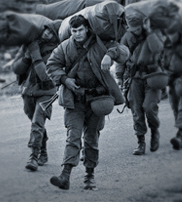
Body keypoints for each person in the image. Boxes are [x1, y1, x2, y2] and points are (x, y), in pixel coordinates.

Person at [46, 15, 129, 190]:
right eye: (73, 31)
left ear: (87, 29)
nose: (76, 34)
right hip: (75, 100)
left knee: (92, 139)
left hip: (97, 99)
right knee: (73, 137)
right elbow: (52, 64)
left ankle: (90, 177)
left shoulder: (102, 43)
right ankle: (65, 176)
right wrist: (64, 79)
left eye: (80, 30)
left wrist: (109, 54)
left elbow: (123, 51)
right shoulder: (65, 47)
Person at [11, 21, 61, 171]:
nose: (47, 33)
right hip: (28, 91)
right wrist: (27, 56)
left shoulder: (58, 50)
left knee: (37, 123)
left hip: (47, 92)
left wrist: (36, 55)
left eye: (51, 32)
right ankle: (43, 150)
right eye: (46, 30)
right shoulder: (31, 44)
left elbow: (45, 76)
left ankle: (33, 156)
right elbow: (16, 69)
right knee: (36, 123)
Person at [116, 15, 165, 155]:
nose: (135, 31)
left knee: (149, 107)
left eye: (137, 28)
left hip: (153, 76)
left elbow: (158, 49)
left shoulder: (154, 34)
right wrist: (119, 77)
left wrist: (149, 32)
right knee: (136, 110)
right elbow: (121, 57)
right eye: (132, 29)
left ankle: (155, 132)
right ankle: (140, 142)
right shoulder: (127, 36)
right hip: (134, 77)